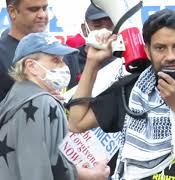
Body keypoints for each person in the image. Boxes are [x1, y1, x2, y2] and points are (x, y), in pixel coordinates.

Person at [68, 9, 175, 179]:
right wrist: (92, 63)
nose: (170, 56)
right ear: (147, 51)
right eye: (160, 48)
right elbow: (76, 122)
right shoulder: (132, 90)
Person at [0, 32, 110, 180]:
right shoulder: (42, 103)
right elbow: (40, 168)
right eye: (56, 60)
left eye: (63, 60)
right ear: (31, 66)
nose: (64, 66)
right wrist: (87, 175)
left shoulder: (16, 96)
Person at [0, 0, 49, 101]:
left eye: (44, 8)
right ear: (12, 12)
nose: (42, 15)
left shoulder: (54, 50)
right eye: (33, 9)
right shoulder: (2, 54)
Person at [64, 4, 115, 88]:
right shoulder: (69, 60)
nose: (104, 31)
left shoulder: (123, 58)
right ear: (84, 29)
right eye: (97, 26)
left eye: (110, 26)